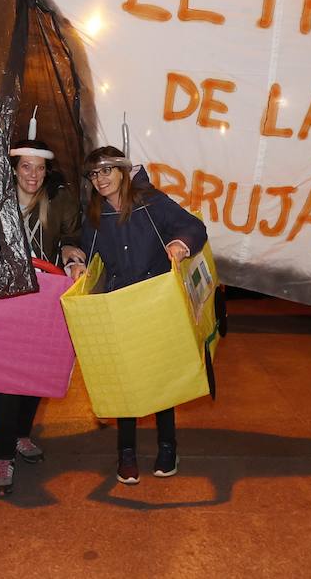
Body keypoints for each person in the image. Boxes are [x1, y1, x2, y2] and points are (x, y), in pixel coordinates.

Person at [74, 146, 207, 485]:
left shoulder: (151, 201)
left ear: (123, 171)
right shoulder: (95, 213)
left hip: (156, 301)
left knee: (159, 376)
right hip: (118, 304)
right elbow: (87, 252)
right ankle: (127, 453)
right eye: (94, 174)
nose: (100, 179)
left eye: (107, 171)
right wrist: (73, 259)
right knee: (126, 379)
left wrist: (179, 243)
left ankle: (167, 447)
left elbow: (193, 226)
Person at [0, 136, 83, 497]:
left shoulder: (58, 199)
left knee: (36, 373)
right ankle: (3, 456)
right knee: (6, 381)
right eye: (26, 167)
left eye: (40, 167)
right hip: (7, 296)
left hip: (45, 297)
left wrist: (71, 252)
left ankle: (19, 435)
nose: (33, 175)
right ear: (14, 169)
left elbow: (72, 235)